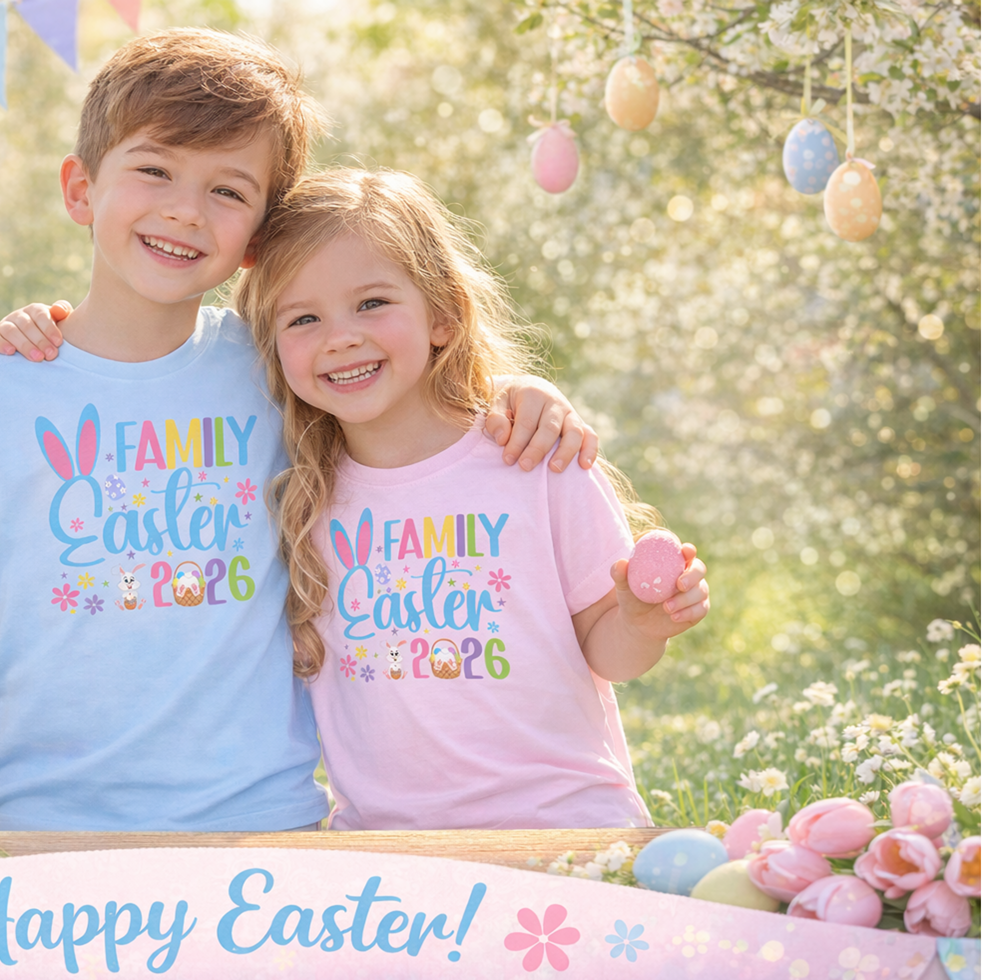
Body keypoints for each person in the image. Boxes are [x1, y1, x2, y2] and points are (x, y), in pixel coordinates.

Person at [0, 29, 596, 831]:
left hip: (261, 820)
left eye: (228, 191)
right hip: (34, 820)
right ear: (81, 188)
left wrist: (516, 390)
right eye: (154, 170)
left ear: (259, 237)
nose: (185, 211)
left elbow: (400, 388)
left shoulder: (276, 362)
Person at [230, 167, 710, 829]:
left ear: (444, 315)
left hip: (566, 831)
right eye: (304, 318)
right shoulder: (294, 496)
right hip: (394, 855)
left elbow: (608, 651)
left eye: (372, 303)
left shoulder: (537, 459)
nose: (340, 336)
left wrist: (640, 622)